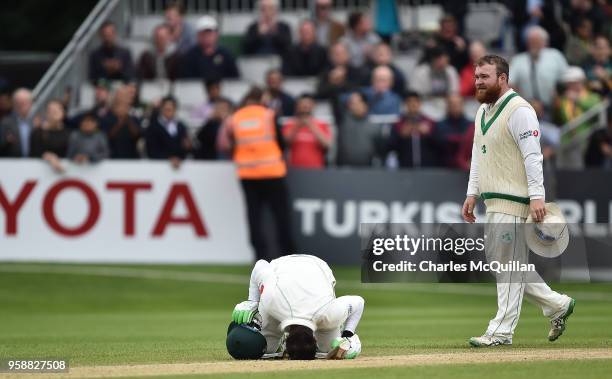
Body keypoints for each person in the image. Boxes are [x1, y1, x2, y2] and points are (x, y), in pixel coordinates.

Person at [462, 54, 575, 347]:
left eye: (484, 77)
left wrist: (537, 196)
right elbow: (478, 155)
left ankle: (501, 331)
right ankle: (557, 304)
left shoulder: (519, 110)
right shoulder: (482, 112)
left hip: (515, 201)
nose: (478, 82)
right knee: (508, 264)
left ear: (502, 78)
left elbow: (533, 156)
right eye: (476, 77)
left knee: (508, 266)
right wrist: (471, 193)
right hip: (493, 201)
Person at [229, 254, 364, 360]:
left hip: (315, 270)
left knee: (326, 349)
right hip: (287, 266)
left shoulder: (329, 315)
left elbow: (358, 302)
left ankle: (346, 343)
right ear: (314, 339)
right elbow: (359, 302)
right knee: (269, 349)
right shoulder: (328, 315)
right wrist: (252, 302)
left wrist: (348, 336)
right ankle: (277, 343)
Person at [217, 86, 295, 261]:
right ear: (261, 98)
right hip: (273, 172)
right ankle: (289, 256)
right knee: (281, 216)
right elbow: (281, 144)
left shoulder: (234, 119)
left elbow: (225, 145)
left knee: (254, 216)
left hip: (248, 174)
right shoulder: (268, 115)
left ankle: (260, 258)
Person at [508, 26, 568, 109]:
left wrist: (560, 96)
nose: (533, 44)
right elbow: (509, 84)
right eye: (531, 41)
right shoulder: (518, 60)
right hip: (526, 106)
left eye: (537, 41)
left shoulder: (555, 55)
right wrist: (525, 102)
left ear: (545, 42)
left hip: (554, 105)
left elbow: (566, 79)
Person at [554, 66, 601, 170]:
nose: (571, 86)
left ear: (581, 82)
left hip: (586, 138)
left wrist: (578, 99)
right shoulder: (564, 100)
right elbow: (561, 119)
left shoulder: (592, 97)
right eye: (569, 83)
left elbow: (596, 109)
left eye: (574, 83)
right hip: (567, 139)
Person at [316, 42, 364, 123]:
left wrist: (341, 81)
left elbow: (358, 90)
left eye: (342, 53)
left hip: (352, 111)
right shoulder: (325, 72)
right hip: (330, 112)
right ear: (331, 57)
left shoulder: (356, 71)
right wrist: (332, 81)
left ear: (348, 55)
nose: (339, 56)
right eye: (336, 54)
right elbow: (320, 93)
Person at [179, 16, 240, 80]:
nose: (206, 37)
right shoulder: (190, 56)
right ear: (197, 36)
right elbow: (186, 82)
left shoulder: (226, 55)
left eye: (209, 33)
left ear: (216, 34)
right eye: (203, 34)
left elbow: (234, 79)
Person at [387, 91, 437, 168]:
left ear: (420, 104)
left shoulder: (430, 122)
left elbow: (439, 145)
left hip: (427, 167)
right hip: (405, 168)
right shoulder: (398, 124)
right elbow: (390, 146)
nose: (413, 104)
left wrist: (428, 134)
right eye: (409, 102)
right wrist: (401, 136)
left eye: (415, 101)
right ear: (405, 105)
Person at [282, 94, 332, 169]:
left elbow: (327, 145)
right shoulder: (290, 123)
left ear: (313, 106)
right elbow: (285, 144)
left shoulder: (322, 124)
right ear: (297, 106)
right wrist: (297, 126)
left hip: (316, 168)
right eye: (302, 104)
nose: (305, 106)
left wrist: (311, 126)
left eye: (308, 104)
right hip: (294, 168)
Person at [145, 96, 190, 168]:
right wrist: (168, 159)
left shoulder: (181, 126)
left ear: (175, 110)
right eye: (166, 109)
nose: (169, 111)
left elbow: (185, 148)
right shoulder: (153, 127)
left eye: (171, 109)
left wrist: (187, 148)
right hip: (158, 166)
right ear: (161, 109)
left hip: (179, 167)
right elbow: (151, 150)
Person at [101, 87, 143, 159]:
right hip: (112, 157)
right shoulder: (107, 116)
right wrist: (120, 122)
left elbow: (138, 135)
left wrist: (127, 119)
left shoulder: (134, 116)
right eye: (123, 95)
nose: (127, 98)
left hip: (132, 157)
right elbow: (106, 137)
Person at [336, 92, 377, 166]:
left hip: (368, 169)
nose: (354, 106)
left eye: (357, 103)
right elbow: (336, 98)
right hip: (345, 169)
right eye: (352, 103)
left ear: (365, 105)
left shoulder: (374, 125)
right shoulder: (343, 119)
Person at [29, 100, 70, 173]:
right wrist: (49, 157)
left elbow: (70, 152)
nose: (56, 112)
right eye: (52, 110)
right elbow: (34, 153)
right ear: (46, 113)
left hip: (65, 172)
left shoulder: (69, 133)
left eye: (59, 109)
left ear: (63, 112)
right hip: (40, 172)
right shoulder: (38, 132)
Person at [434, 94, 473, 168]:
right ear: (447, 106)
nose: (455, 106)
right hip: (444, 169)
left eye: (458, 104)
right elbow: (440, 144)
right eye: (452, 104)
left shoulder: (471, 125)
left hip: (466, 171)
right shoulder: (439, 126)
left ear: (462, 105)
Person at [0, 88, 34, 157]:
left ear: (31, 104)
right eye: (19, 102)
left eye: (25, 102)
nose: (21, 106)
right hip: (13, 163)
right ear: (14, 104)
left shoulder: (38, 122)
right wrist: (7, 141)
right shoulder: (6, 122)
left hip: (34, 163)